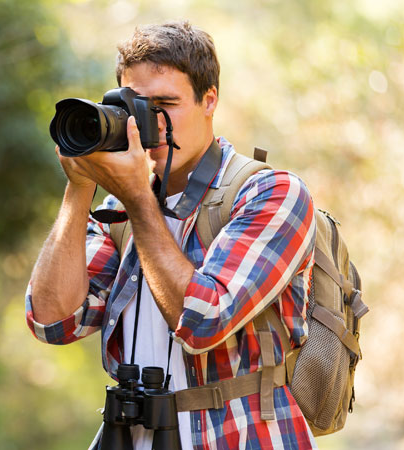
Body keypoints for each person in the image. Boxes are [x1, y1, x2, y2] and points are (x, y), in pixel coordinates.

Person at [26, 20, 317, 449]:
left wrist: (138, 197)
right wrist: (80, 185)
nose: (152, 123)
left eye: (166, 103)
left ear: (209, 100)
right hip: (130, 434)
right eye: (136, 106)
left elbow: (203, 321)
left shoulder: (271, 193)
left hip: (240, 434)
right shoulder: (117, 211)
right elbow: (52, 321)